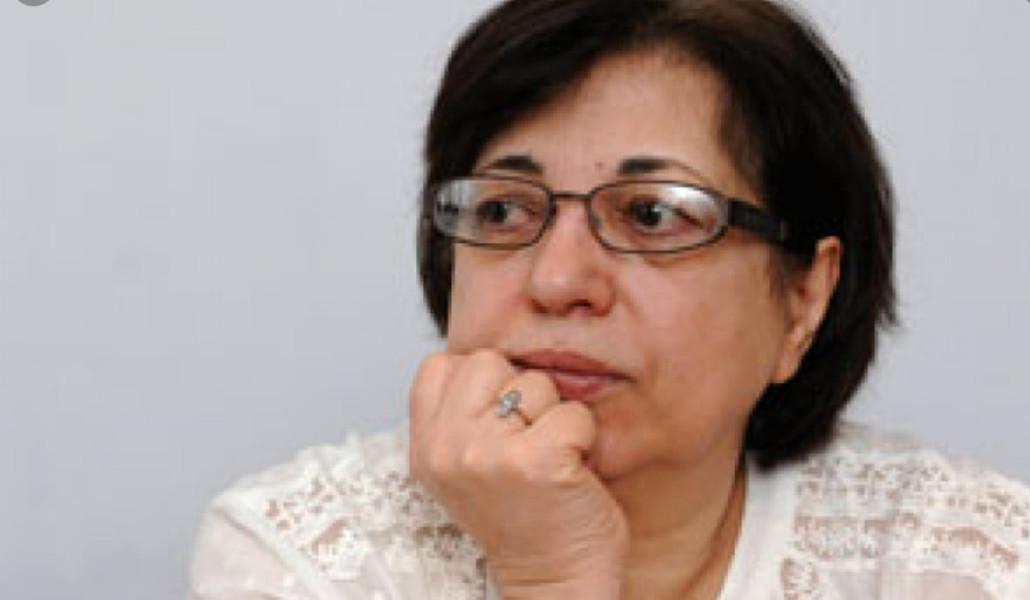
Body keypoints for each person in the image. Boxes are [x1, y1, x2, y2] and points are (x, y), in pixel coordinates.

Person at [188, 0, 1030, 598]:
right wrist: (553, 578)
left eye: (653, 215)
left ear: (803, 299)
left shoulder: (964, 561)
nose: (557, 281)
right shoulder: (302, 559)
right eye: (504, 210)